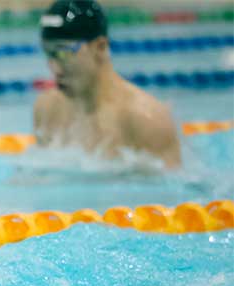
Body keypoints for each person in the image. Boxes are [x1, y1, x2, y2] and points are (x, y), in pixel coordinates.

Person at [33, 0, 182, 169]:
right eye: (49, 53)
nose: (55, 68)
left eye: (64, 52)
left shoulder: (145, 120)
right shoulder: (47, 109)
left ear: (100, 47)